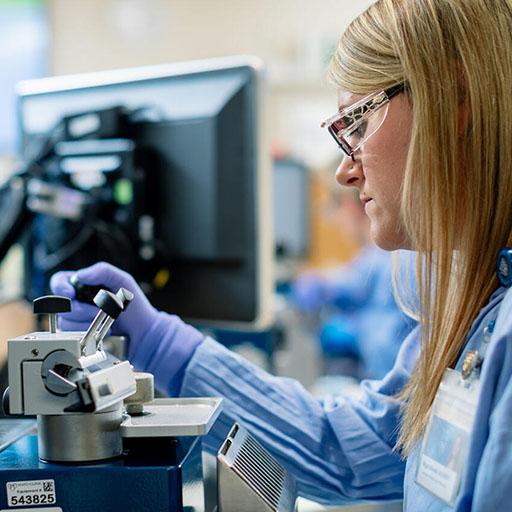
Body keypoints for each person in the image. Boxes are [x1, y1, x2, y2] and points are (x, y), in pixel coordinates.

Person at [50, 0, 512, 509]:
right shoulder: (476, 298)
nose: (344, 171)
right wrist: (166, 345)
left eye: (356, 125)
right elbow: (351, 452)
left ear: (454, 100)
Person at [291, 187, 417, 379]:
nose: (340, 225)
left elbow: (385, 342)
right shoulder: (373, 259)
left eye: (337, 214)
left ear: (349, 205)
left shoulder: (393, 257)